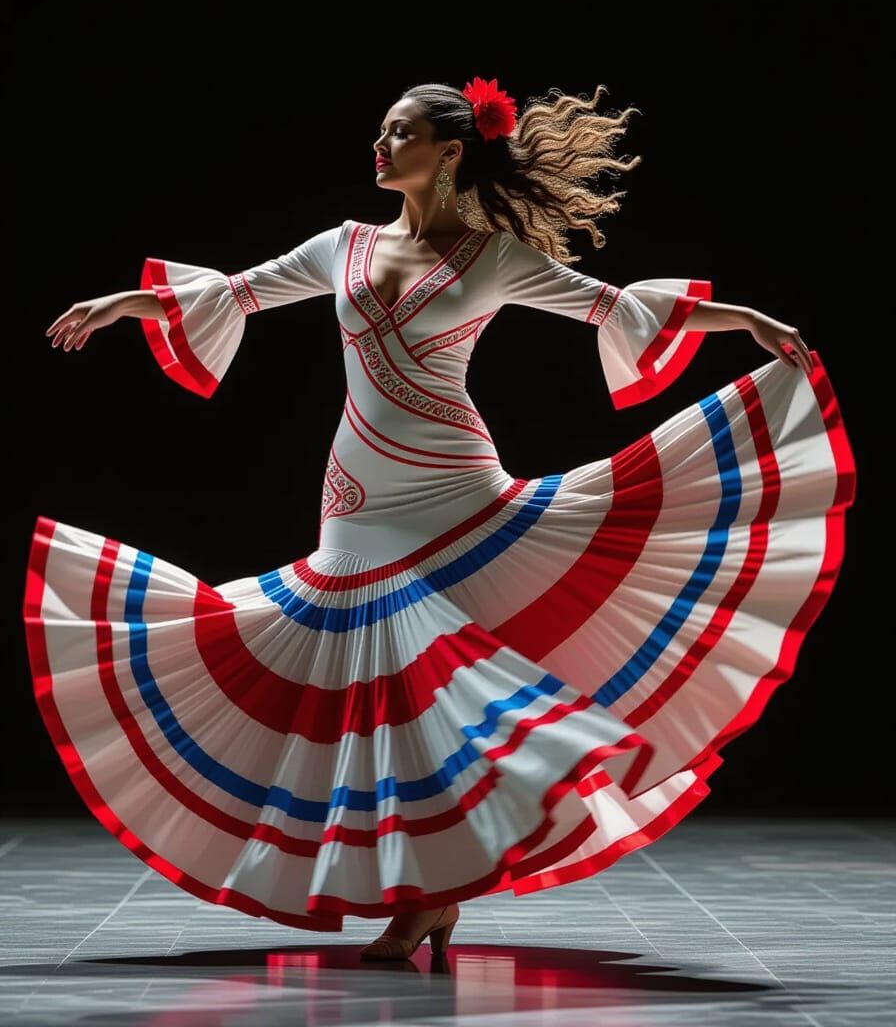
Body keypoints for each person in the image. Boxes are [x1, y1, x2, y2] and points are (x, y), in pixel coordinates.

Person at [29, 76, 855, 963]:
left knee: (422, 685)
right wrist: (123, 303)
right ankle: (428, 890)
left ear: (450, 152)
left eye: (399, 133)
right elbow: (235, 294)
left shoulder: (493, 257)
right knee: (365, 679)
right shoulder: (340, 247)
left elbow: (610, 306)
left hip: (454, 487)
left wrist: (745, 320)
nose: (379, 146)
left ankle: (425, 898)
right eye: (380, 132)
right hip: (354, 491)